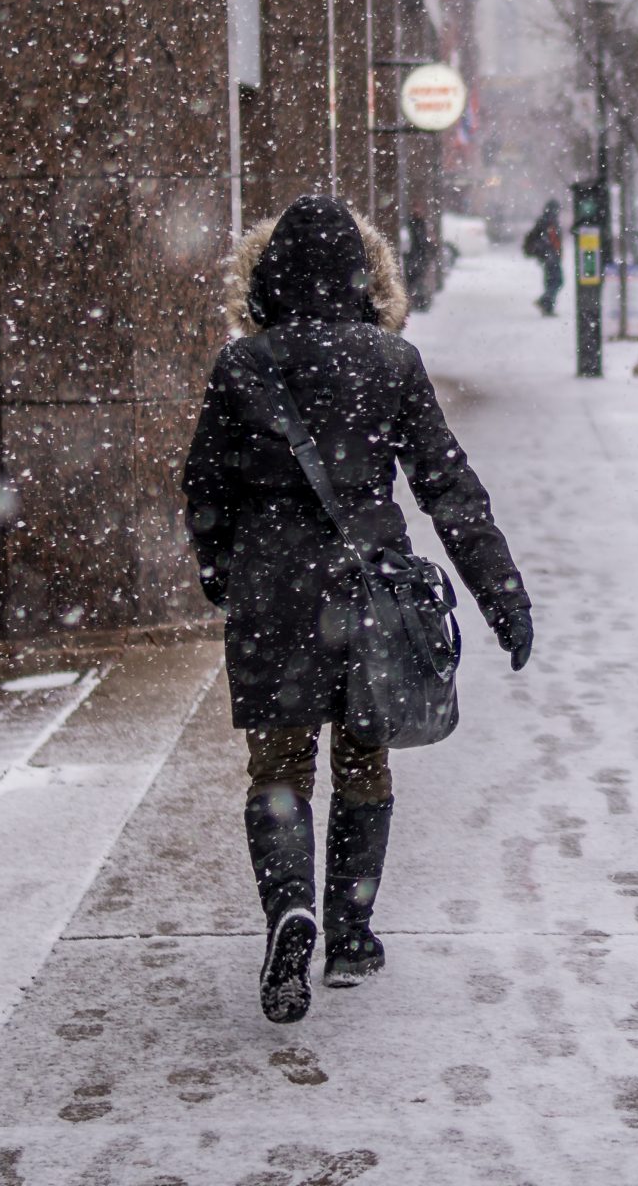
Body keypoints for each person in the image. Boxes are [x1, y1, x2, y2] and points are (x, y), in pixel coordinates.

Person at [184, 196, 535, 1025]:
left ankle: (288, 911)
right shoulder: (391, 362)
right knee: (363, 763)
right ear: (363, 276)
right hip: (367, 590)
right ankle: (349, 933)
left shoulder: (244, 367)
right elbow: (448, 489)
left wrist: (221, 568)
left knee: (277, 770)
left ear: (266, 277)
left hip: (274, 596)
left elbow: (204, 483)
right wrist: (502, 596)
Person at [524, 199, 564, 315]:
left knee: (552, 281)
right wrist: (552, 253)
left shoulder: (544, 220)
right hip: (550, 256)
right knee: (556, 280)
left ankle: (547, 305)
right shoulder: (549, 221)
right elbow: (551, 240)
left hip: (548, 256)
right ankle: (546, 302)